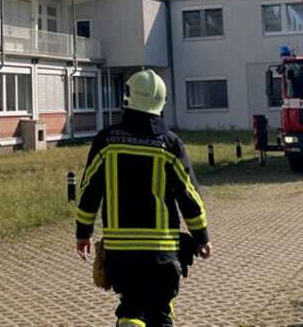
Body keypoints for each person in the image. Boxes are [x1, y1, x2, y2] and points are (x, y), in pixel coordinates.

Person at [75, 69, 211, 327]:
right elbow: (188, 195)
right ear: (161, 101)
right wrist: (201, 236)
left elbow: (89, 191)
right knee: (160, 311)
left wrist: (83, 233)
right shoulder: (169, 143)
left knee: (131, 308)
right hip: (162, 251)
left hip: (121, 252)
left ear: (128, 97)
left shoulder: (106, 141)